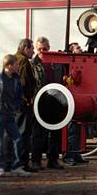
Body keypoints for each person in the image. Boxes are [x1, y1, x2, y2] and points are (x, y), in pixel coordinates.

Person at [0, 55, 32, 177]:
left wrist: (16, 106)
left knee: (17, 139)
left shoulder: (16, 78)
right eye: (16, 64)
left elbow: (19, 95)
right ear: (9, 66)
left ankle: (16, 167)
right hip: (0, 114)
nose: (18, 66)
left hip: (11, 114)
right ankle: (0, 168)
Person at [32, 37, 64, 169]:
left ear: (48, 48)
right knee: (38, 133)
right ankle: (36, 161)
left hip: (55, 101)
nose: (42, 51)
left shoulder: (55, 63)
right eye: (39, 49)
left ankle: (53, 160)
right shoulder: (32, 64)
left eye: (44, 48)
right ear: (35, 49)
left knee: (55, 132)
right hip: (40, 102)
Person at [15, 38, 40, 172]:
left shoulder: (14, 59)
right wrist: (28, 98)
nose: (33, 51)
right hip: (24, 103)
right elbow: (24, 83)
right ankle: (22, 163)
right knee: (23, 133)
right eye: (32, 49)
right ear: (25, 48)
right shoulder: (24, 61)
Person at [63, 41, 87, 165]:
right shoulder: (69, 66)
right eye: (78, 48)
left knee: (77, 129)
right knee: (72, 129)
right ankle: (69, 155)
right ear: (71, 51)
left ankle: (76, 153)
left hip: (78, 99)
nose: (81, 49)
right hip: (71, 100)